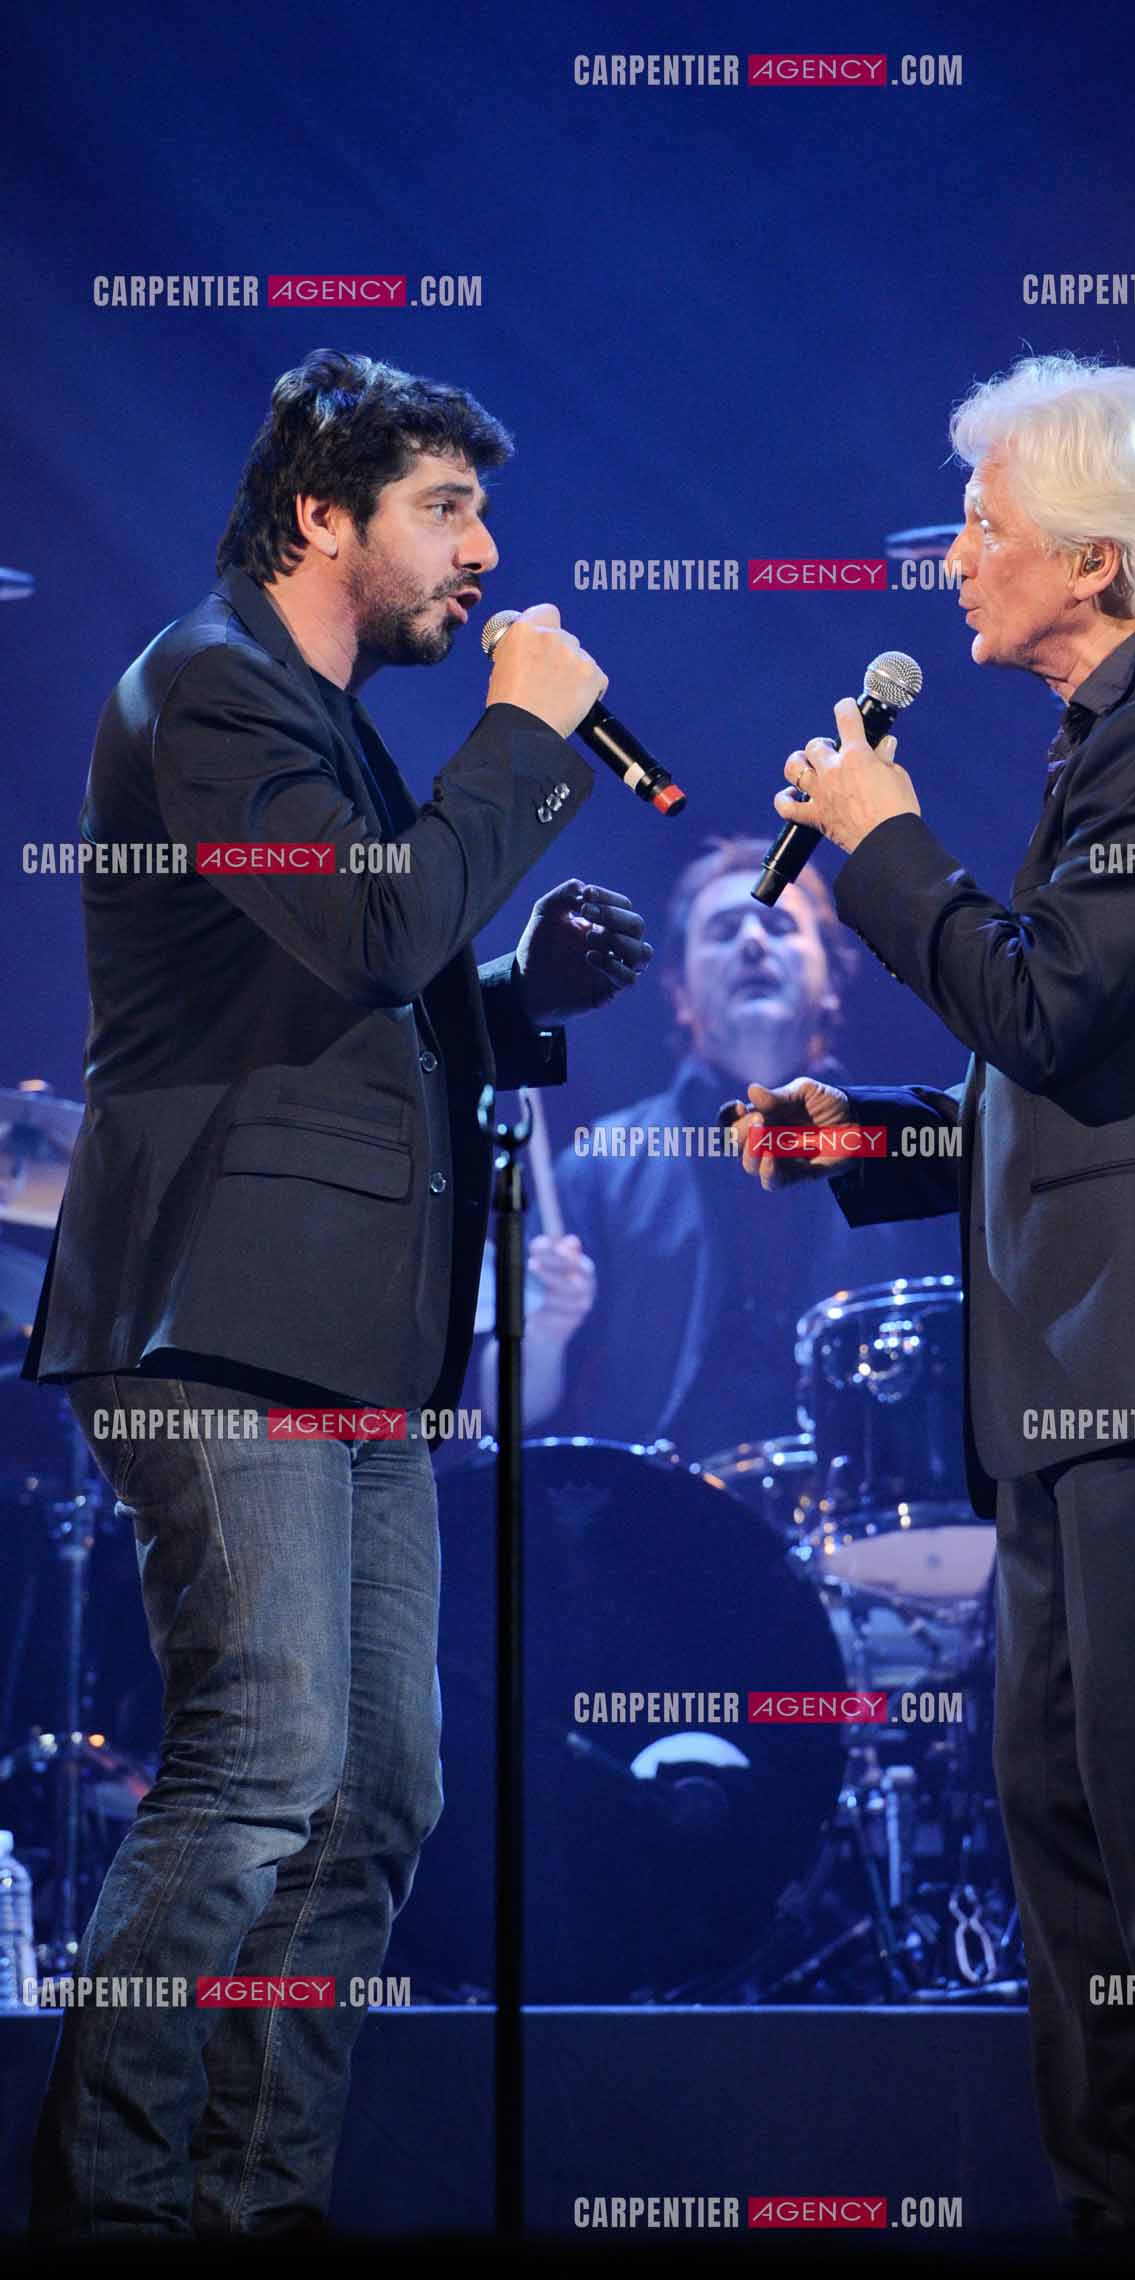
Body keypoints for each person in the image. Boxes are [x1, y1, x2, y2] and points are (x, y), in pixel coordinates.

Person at [20, 348, 650, 2241]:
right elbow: (371, 928)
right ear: (323, 512)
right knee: (261, 1765)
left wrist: (522, 996)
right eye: (448, 509)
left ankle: (253, 2198)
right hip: (221, 1313)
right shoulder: (211, 689)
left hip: (361, 1337)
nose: (485, 554)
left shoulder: (323, 717)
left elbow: (356, 981)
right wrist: (530, 738)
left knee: (377, 1793)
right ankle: (110, 2206)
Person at [726, 355, 1135, 2244]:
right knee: (1063, 1822)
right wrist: (876, 1136)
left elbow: (1049, 1006)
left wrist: (881, 841)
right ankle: (1118, 2208)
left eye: (988, 523)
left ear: (1096, 556)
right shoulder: (1116, 743)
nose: (959, 556)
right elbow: (1063, 1065)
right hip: (1077, 1361)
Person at [497, 836, 957, 1459]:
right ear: (681, 994)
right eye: (722, 930)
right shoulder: (599, 1168)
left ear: (831, 980)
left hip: (867, 1513)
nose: (751, 943)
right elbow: (504, 1410)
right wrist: (547, 1334)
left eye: (777, 925)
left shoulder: (909, 1149)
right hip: (662, 1520)